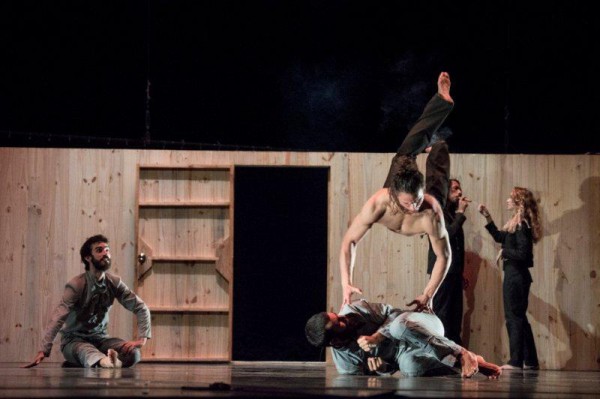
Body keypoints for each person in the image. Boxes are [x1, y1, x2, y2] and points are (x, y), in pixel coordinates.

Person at [340, 71, 454, 311]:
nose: (414, 208)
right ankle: (436, 121)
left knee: (439, 169)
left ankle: (438, 136)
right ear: (392, 195)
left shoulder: (429, 211)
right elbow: (349, 241)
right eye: (408, 203)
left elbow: (444, 256)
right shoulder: (378, 203)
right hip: (396, 190)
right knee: (403, 156)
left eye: (416, 201)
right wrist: (346, 283)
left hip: (431, 197)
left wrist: (428, 294)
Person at [23, 234, 151, 369]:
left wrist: (142, 339)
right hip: (74, 341)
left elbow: (140, 307)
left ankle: (103, 362)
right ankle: (105, 362)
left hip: (101, 340)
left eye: (107, 250)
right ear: (88, 257)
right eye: (99, 250)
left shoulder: (114, 283)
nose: (105, 253)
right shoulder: (76, 285)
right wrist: (44, 349)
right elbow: (58, 317)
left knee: (134, 354)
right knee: (85, 351)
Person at [305, 299, 501, 378]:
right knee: (409, 368)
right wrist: (383, 369)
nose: (342, 316)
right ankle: (469, 363)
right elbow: (380, 374)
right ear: (335, 342)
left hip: (422, 326)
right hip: (406, 353)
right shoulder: (346, 364)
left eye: (335, 314)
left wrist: (378, 336)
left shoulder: (355, 310)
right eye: (338, 323)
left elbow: (396, 314)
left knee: (399, 327)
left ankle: (461, 353)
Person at [478, 187, 542, 370]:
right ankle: (530, 360)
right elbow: (500, 237)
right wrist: (488, 217)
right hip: (515, 275)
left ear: (519, 203)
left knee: (513, 317)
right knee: (519, 317)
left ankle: (516, 361)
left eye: (510, 198)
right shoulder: (517, 224)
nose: (507, 200)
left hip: (516, 277)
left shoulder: (522, 225)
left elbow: (524, 254)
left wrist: (505, 252)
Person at [427, 178, 470, 344]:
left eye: (460, 189)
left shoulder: (452, 214)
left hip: (454, 273)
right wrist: (460, 214)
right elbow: (446, 237)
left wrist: (461, 271)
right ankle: (441, 354)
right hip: (441, 273)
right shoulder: (437, 213)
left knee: (455, 316)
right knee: (442, 315)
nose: (460, 193)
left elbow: (458, 246)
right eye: (455, 189)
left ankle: (455, 357)